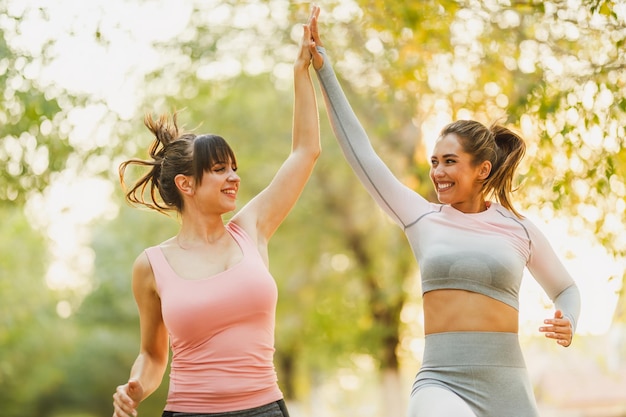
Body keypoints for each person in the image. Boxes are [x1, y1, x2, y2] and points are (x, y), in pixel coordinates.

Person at [307, 11, 581, 417]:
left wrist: (569, 321)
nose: (437, 172)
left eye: (449, 162)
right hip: (441, 382)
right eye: (434, 162)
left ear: (481, 170)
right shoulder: (422, 219)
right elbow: (360, 152)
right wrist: (324, 69)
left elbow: (566, 289)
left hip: (508, 387)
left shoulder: (518, 229)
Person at [111, 7, 321, 417]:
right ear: (186, 185)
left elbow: (305, 151)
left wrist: (300, 71)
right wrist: (135, 388)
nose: (234, 178)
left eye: (234, 168)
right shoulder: (151, 266)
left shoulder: (251, 229)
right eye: (219, 169)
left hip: (264, 409)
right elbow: (153, 358)